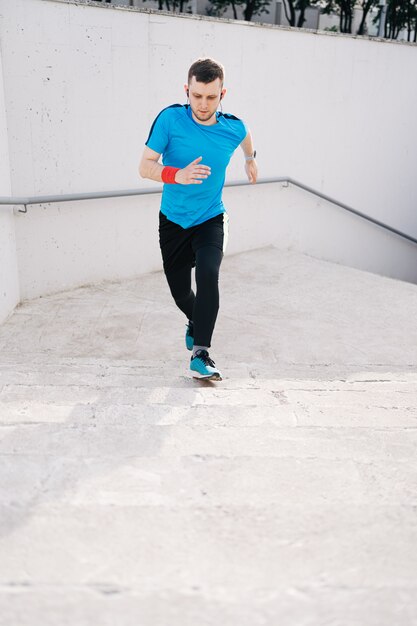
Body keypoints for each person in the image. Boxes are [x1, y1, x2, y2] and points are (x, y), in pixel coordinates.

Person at [139, 57, 257, 381]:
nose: (203, 104)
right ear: (186, 90)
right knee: (181, 293)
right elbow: (145, 166)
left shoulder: (233, 127)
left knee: (208, 274)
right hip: (173, 220)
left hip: (211, 218)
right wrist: (177, 174)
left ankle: (201, 352)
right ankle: (196, 321)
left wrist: (250, 160)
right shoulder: (169, 120)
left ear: (223, 94)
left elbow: (246, 138)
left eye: (211, 97)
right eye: (197, 96)